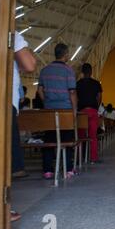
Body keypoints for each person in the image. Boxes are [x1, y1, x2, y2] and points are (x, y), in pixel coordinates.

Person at [38, 43, 78, 180]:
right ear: (65, 54)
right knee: (66, 139)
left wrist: (47, 102)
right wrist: (74, 110)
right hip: (65, 109)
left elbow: (40, 91)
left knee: (49, 139)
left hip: (49, 109)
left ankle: (48, 170)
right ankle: (68, 170)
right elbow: (72, 92)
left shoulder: (44, 70)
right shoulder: (69, 71)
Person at [11, 31, 37, 221]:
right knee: (1, 157)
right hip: (2, 101)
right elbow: (29, 64)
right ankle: (0, 206)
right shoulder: (9, 31)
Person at [76, 63, 103, 164]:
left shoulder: (78, 83)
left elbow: (75, 97)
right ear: (91, 72)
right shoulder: (96, 83)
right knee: (93, 135)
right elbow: (99, 97)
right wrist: (96, 106)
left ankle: (80, 158)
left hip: (81, 112)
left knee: (81, 135)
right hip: (92, 110)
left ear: (82, 72)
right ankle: (93, 158)